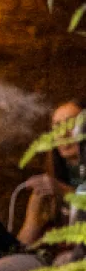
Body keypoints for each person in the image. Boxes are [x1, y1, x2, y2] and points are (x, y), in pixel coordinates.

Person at [15, 99, 85, 248]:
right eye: (57, 126)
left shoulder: (57, 187)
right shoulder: (52, 183)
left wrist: (64, 191)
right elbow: (22, 247)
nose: (63, 133)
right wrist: (33, 222)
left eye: (72, 125)